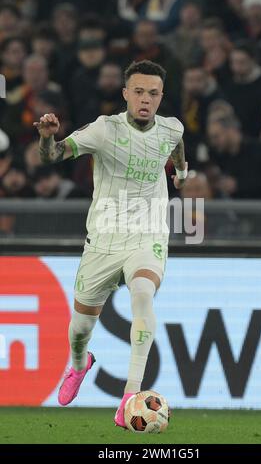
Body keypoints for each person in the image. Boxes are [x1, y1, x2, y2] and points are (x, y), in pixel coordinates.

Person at [33, 59, 187, 427]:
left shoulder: (171, 128)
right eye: (138, 92)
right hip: (103, 239)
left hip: (148, 234)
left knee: (143, 296)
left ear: (161, 96)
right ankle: (79, 364)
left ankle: (129, 396)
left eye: (152, 92)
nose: (145, 99)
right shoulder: (104, 131)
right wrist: (46, 137)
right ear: (125, 94)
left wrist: (181, 174)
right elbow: (51, 157)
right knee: (80, 329)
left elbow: (177, 145)